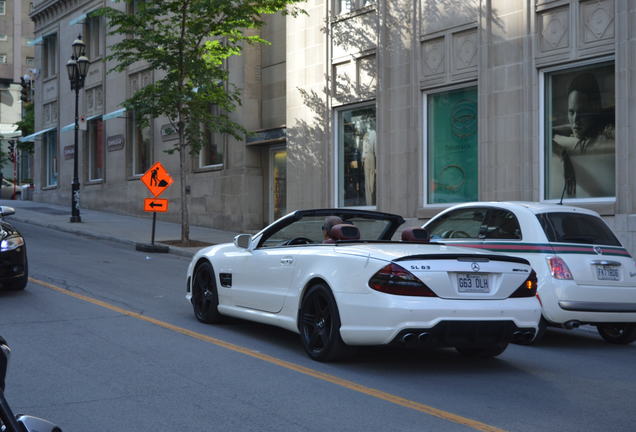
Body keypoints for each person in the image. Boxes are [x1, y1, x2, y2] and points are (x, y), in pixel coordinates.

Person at [552, 72, 614, 198]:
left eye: (582, 112)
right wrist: (563, 155)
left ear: (595, 109)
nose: (575, 120)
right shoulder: (574, 130)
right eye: (571, 112)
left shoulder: (608, 133)